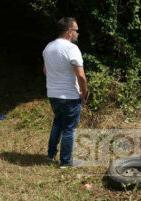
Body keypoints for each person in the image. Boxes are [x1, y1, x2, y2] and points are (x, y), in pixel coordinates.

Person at [43, 17, 87, 168]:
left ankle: (50, 154)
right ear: (69, 32)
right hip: (69, 96)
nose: (77, 34)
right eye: (76, 31)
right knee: (69, 128)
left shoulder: (48, 47)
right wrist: (84, 92)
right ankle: (66, 162)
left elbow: (45, 70)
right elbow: (81, 75)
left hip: (53, 94)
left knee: (58, 123)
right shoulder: (71, 49)